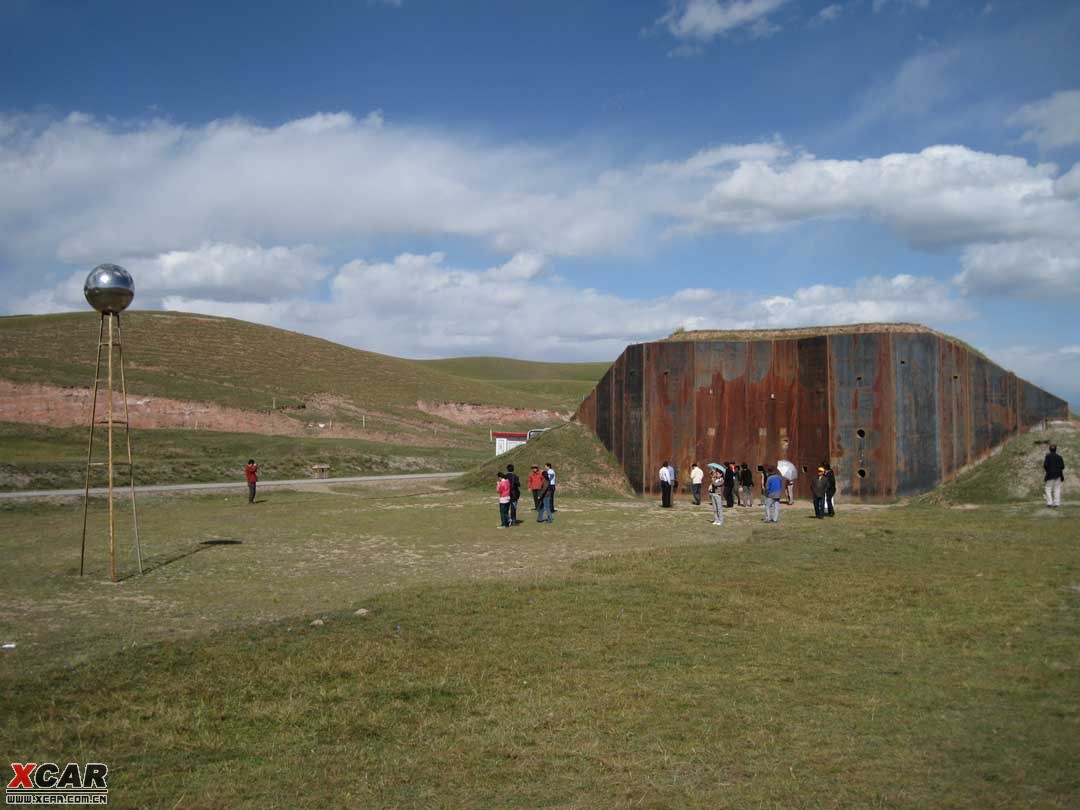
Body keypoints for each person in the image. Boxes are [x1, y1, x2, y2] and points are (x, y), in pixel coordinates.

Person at [1044, 444, 1065, 508]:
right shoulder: (1060, 457)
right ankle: (1056, 503)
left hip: (1050, 475)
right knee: (1057, 489)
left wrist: (1048, 470)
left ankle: (1049, 503)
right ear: (1056, 450)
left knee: (1048, 489)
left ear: (1049, 449)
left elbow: (1045, 465)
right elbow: (1062, 467)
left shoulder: (1047, 456)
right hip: (1058, 475)